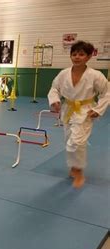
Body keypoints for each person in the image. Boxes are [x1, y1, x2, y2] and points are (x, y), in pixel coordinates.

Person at [48, 41, 109, 188]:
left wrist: (98, 109)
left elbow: (106, 93)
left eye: (81, 54)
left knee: (77, 142)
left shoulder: (96, 75)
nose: (77, 57)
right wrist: (55, 100)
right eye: (74, 54)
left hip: (85, 111)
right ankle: (73, 167)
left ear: (88, 56)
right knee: (69, 141)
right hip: (68, 109)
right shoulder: (64, 74)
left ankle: (79, 171)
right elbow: (54, 88)